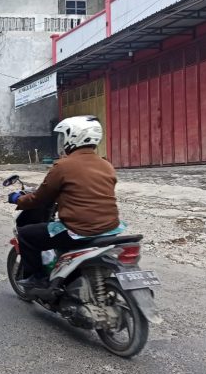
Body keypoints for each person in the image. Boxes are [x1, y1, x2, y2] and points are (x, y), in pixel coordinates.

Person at [8, 115, 121, 289]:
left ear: (73, 137)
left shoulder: (63, 166)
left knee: (26, 234)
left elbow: (39, 198)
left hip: (79, 230)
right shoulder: (106, 165)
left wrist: (18, 199)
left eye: (64, 136)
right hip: (110, 228)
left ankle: (36, 278)